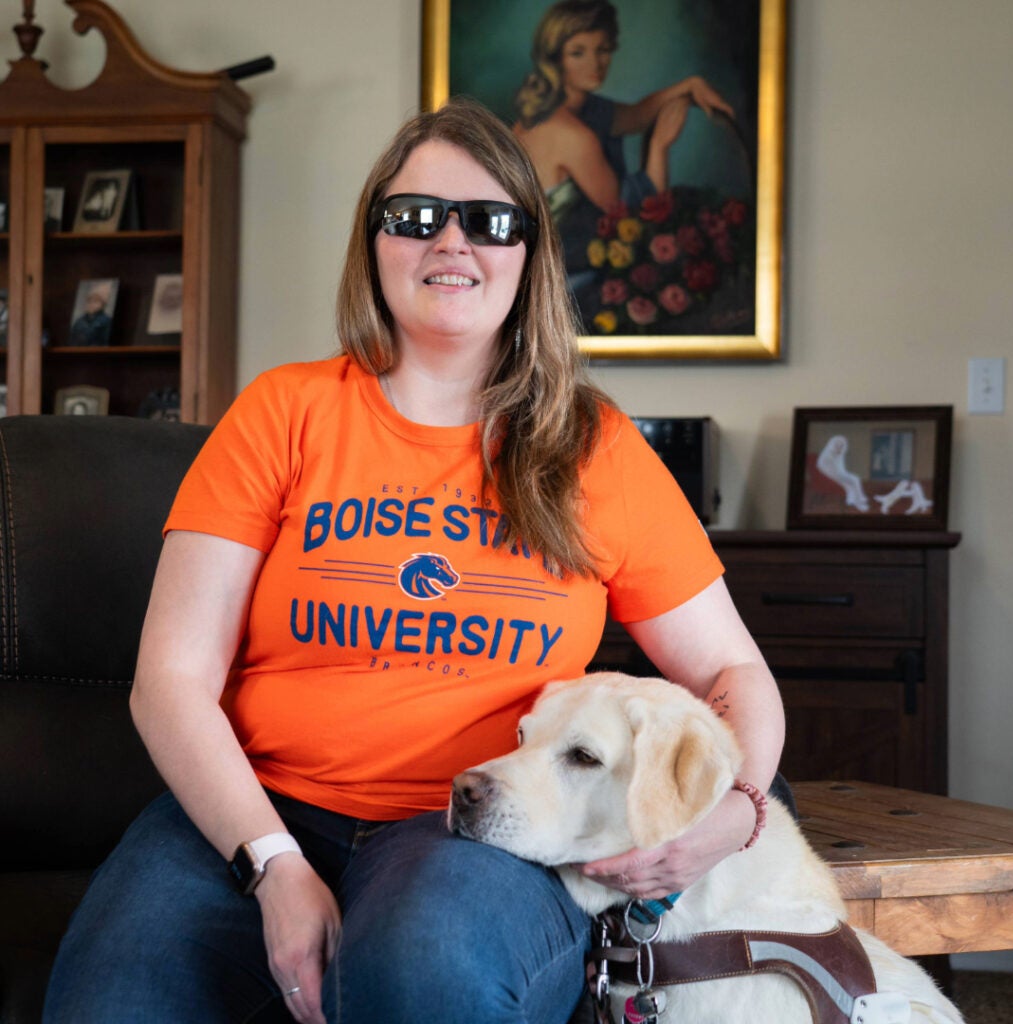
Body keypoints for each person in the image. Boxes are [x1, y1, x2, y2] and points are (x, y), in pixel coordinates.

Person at [44, 96, 784, 1024]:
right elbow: (170, 681)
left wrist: (738, 808)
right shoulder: (283, 411)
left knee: (420, 971)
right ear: (376, 242)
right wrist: (274, 865)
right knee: (112, 999)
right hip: (260, 804)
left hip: (479, 824)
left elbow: (730, 669)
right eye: (417, 217)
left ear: (530, 253)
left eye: (490, 220)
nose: (452, 242)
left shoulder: (592, 446)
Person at [513, 0, 735, 286]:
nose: (595, 63)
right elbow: (630, 216)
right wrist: (659, 147)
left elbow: (636, 116)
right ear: (555, 59)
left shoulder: (577, 109)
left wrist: (690, 85)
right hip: (562, 283)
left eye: (602, 50)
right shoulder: (570, 135)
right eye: (578, 53)